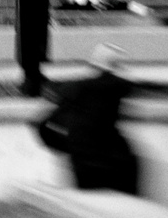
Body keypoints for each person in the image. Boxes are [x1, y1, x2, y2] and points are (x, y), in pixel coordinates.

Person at [37, 44, 143, 195]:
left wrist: (66, 148)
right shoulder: (117, 85)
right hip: (113, 160)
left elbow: (42, 125)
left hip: (82, 159)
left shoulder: (72, 88)